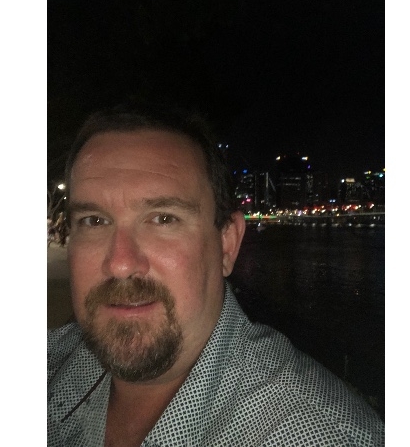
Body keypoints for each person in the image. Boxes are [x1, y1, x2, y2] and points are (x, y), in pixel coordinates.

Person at [47, 102, 384, 446]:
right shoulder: (51, 360)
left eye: (163, 219)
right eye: (94, 221)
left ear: (227, 244)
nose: (120, 263)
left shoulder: (321, 435)